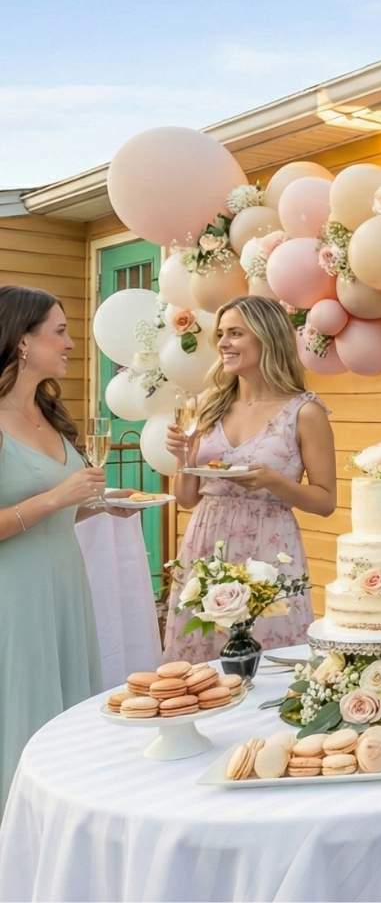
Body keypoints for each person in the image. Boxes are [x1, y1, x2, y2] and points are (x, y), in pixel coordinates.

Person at [0, 286, 134, 807]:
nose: (72, 344)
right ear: (22, 341)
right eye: (60, 332)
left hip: (65, 589)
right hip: (15, 598)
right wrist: (58, 496)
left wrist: (99, 505)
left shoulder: (50, 414)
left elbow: (57, 513)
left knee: (66, 724)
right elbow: (46, 502)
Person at [162, 295, 335, 662]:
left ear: (267, 337)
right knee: (200, 660)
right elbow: (188, 498)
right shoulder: (206, 406)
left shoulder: (304, 412)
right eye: (221, 334)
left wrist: (274, 482)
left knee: (268, 660)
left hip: (269, 548)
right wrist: (183, 458)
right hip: (206, 542)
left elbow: (325, 501)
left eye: (235, 333)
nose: (223, 343)